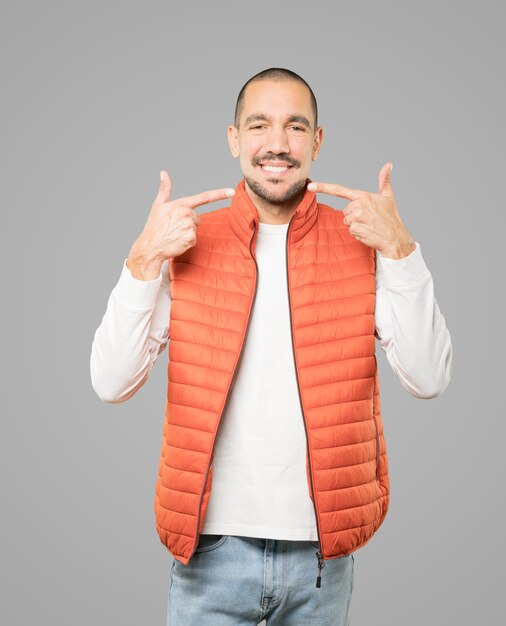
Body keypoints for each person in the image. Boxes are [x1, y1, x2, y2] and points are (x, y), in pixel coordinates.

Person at [90, 67, 453, 625]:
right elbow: (110, 383)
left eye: (295, 126)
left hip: (321, 558)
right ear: (234, 138)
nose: (277, 144)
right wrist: (142, 261)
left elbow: (428, 379)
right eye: (259, 125)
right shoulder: (186, 243)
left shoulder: (365, 244)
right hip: (209, 552)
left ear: (317, 141)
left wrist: (402, 252)